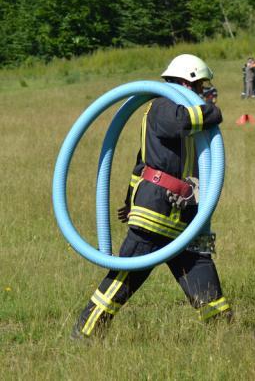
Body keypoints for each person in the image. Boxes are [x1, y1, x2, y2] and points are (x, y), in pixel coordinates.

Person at [71, 54, 232, 340]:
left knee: (203, 277)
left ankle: (224, 335)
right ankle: (85, 332)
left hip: (184, 216)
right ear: (186, 82)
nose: (204, 93)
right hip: (156, 214)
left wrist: (128, 199)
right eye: (201, 86)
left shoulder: (175, 108)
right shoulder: (163, 106)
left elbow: (139, 165)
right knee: (125, 278)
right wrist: (213, 111)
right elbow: (184, 122)